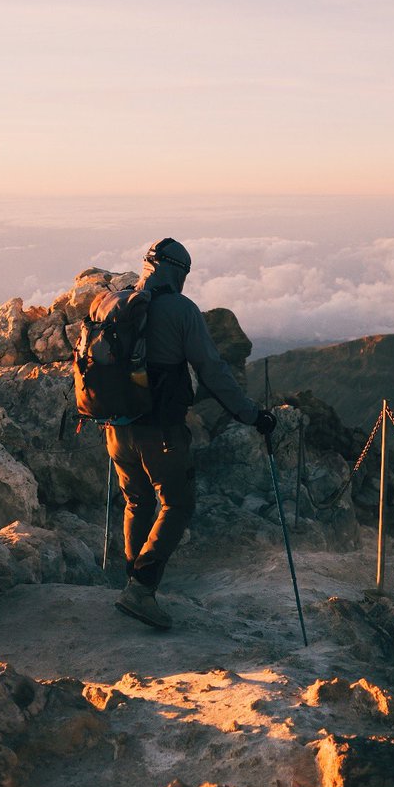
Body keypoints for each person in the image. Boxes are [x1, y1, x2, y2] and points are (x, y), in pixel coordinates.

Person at [108, 237, 276, 630]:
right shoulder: (181, 310)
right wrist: (252, 415)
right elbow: (212, 371)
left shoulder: (114, 303)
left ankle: (134, 583)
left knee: (137, 502)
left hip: (116, 428)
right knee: (178, 504)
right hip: (161, 431)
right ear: (178, 271)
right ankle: (140, 591)